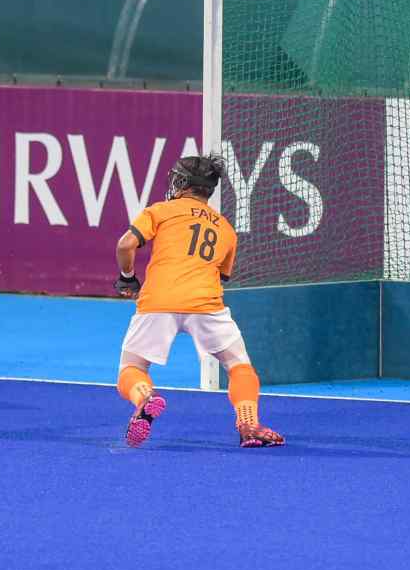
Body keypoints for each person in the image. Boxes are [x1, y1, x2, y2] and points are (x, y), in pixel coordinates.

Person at [112, 155, 283, 448]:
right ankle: (248, 423)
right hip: (206, 304)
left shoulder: (161, 211)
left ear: (181, 182)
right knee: (239, 367)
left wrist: (127, 278)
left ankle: (144, 396)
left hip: (158, 301)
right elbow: (221, 275)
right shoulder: (226, 228)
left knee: (132, 368)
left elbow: (125, 244)